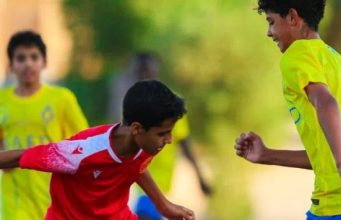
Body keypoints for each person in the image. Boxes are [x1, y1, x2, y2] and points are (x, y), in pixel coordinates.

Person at [234, 0, 341, 219]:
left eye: (271, 22)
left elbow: (326, 103)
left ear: (293, 17)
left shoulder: (296, 55)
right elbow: (330, 152)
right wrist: (267, 155)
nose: (269, 33)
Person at [0, 80, 195, 220]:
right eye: (163, 133)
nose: (169, 140)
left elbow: (137, 167)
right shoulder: (81, 152)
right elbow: (21, 156)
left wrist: (163, 205)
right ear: (136, 129)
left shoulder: (144, 145)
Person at [108, 53, 211, 220]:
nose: (168, 139)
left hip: (161, 182)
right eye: (141, 72)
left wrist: (199, 176)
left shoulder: (170, 106)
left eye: (148, 71)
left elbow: (184, 143)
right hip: (134, 183)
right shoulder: (131, 104)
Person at [0, 30, 89, 219]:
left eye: (34, 57)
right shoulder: (2, 100)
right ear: (11, 65)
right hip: (15, 200)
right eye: (21, 58)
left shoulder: (62, 99)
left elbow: (84, 143)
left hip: (54, 196)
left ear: (44, 62)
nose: (28, 64)